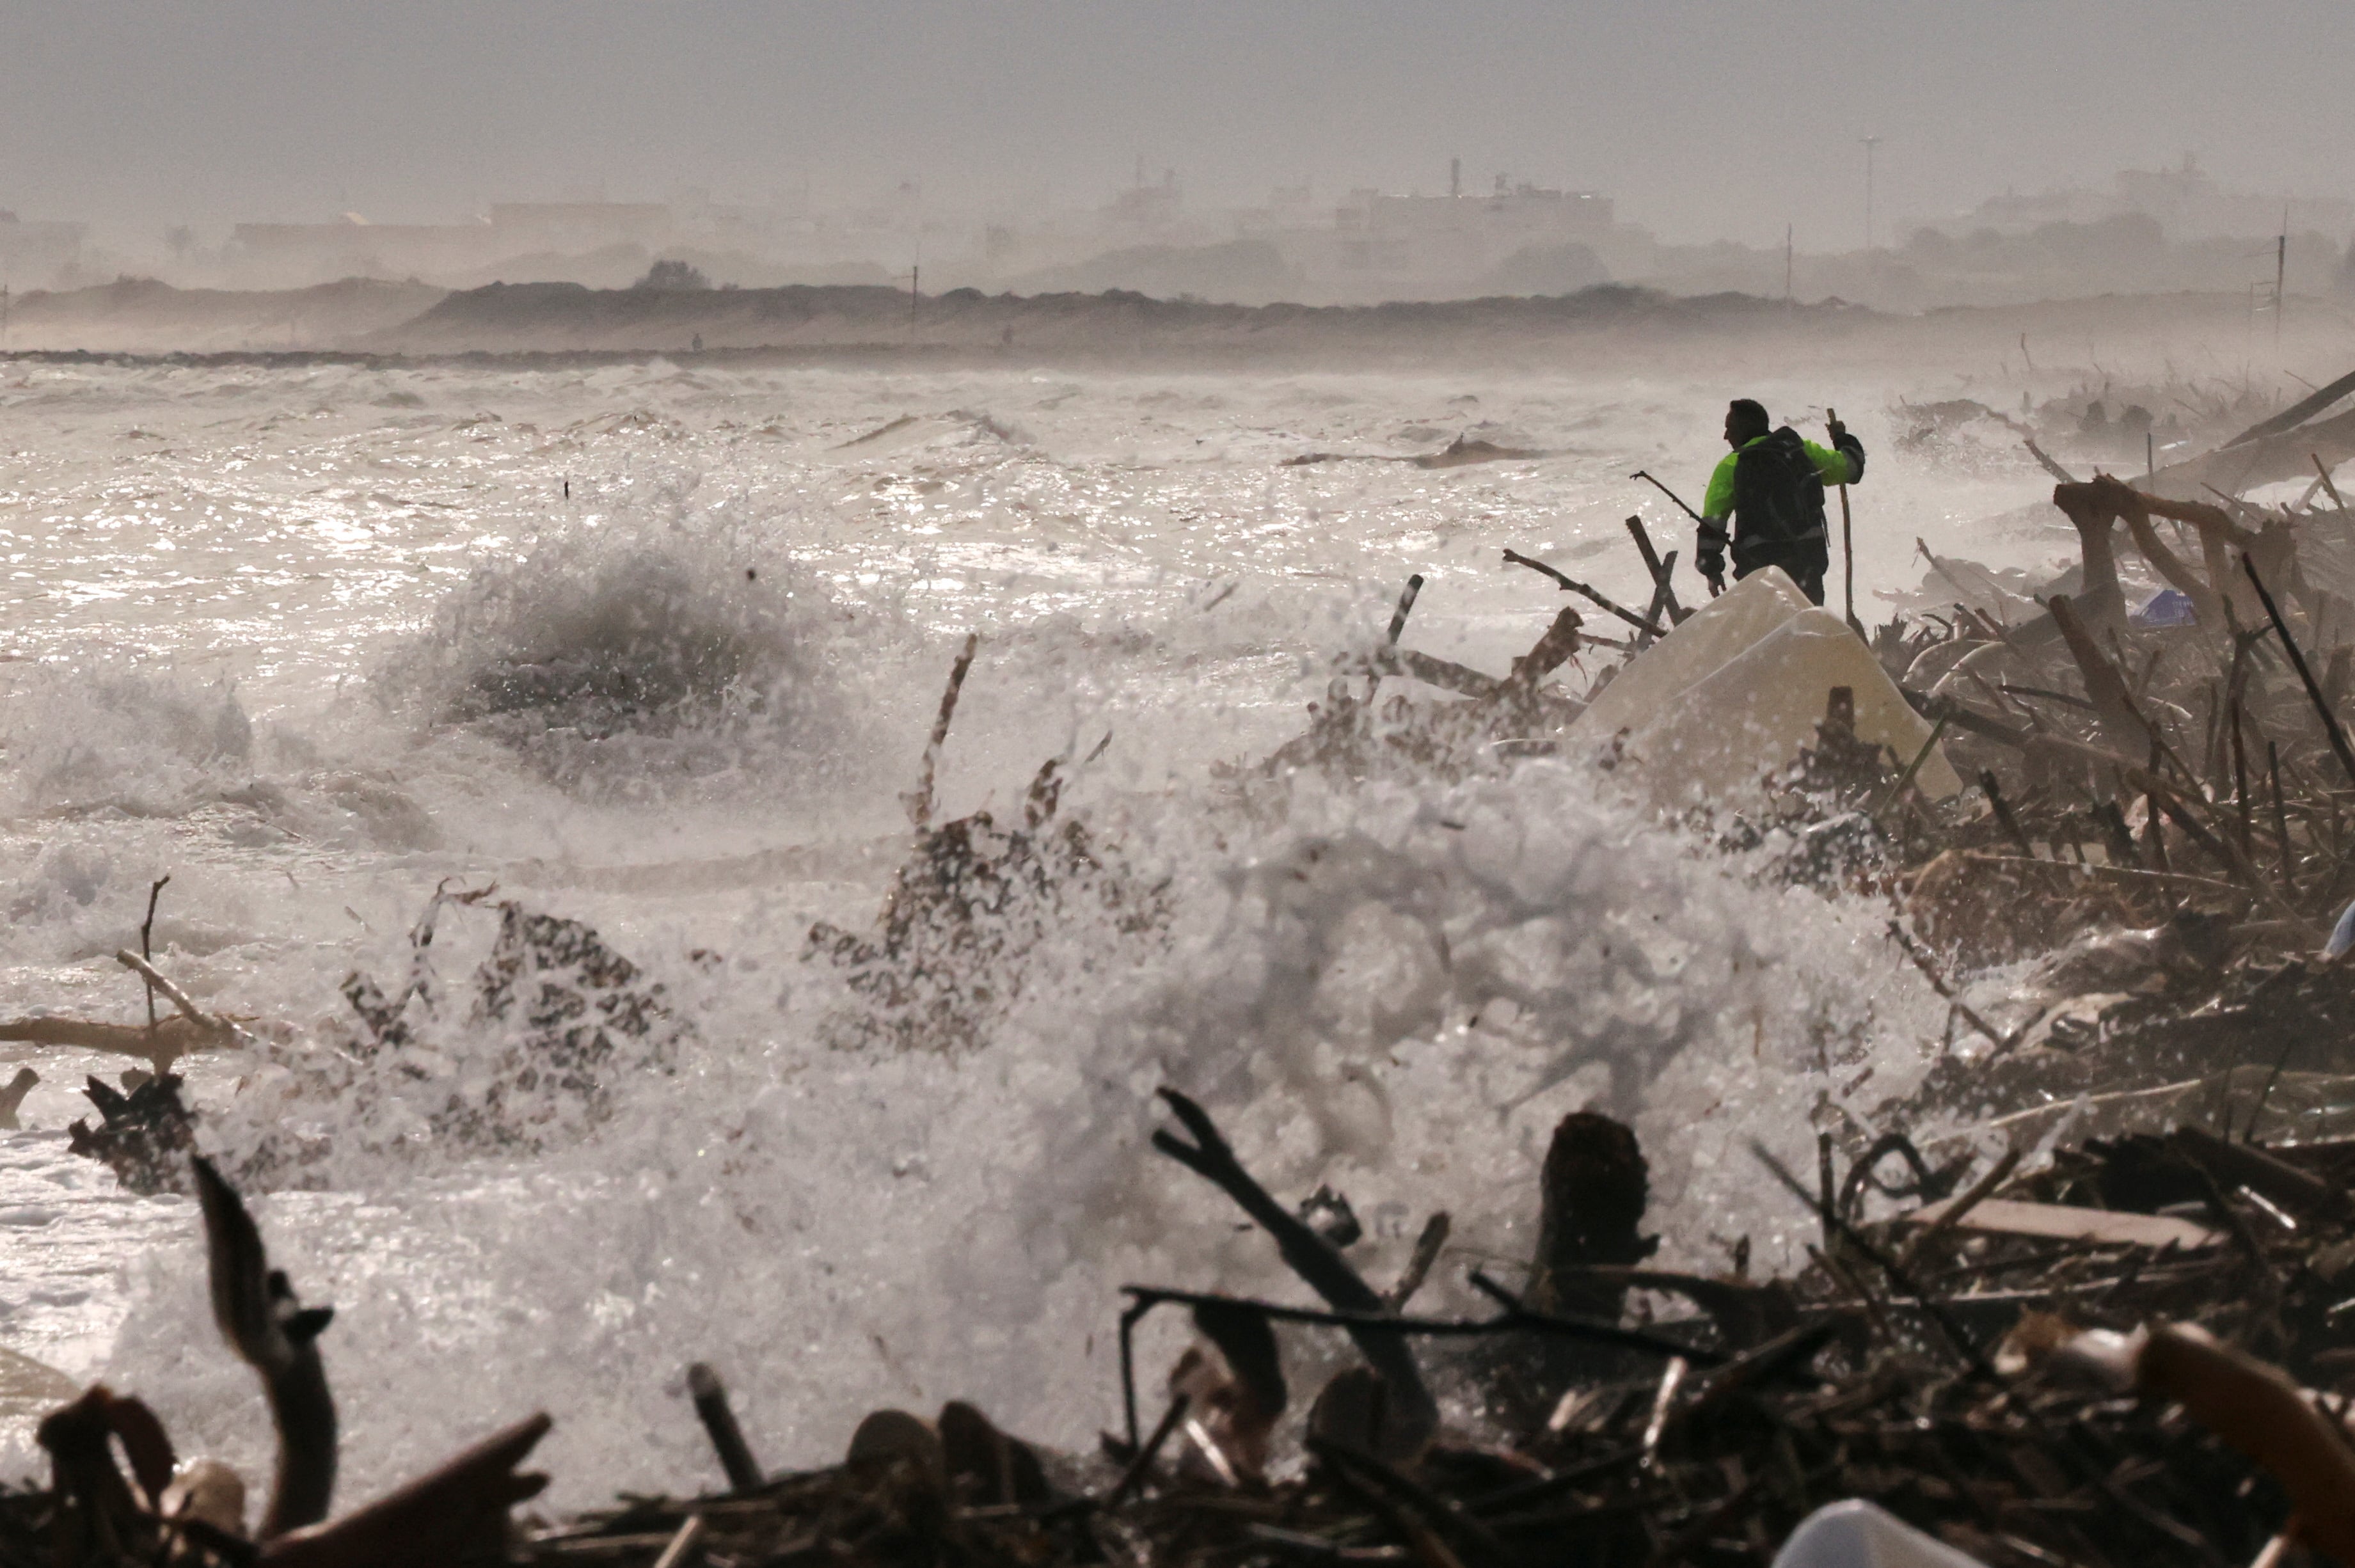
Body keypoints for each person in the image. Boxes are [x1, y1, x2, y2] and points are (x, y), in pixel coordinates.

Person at [1693, 399, 1866, 605]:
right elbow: (1852, 468)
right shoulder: (1799, 451)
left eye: (1730, 428)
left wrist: (1712, 570)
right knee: (1806, 625)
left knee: (1770, 629)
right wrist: (1842, 439)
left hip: (1760, 571)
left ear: (1743, 429)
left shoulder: (1731, 465)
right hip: (1807, 565)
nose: (1725, 436)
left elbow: (1713, 525)